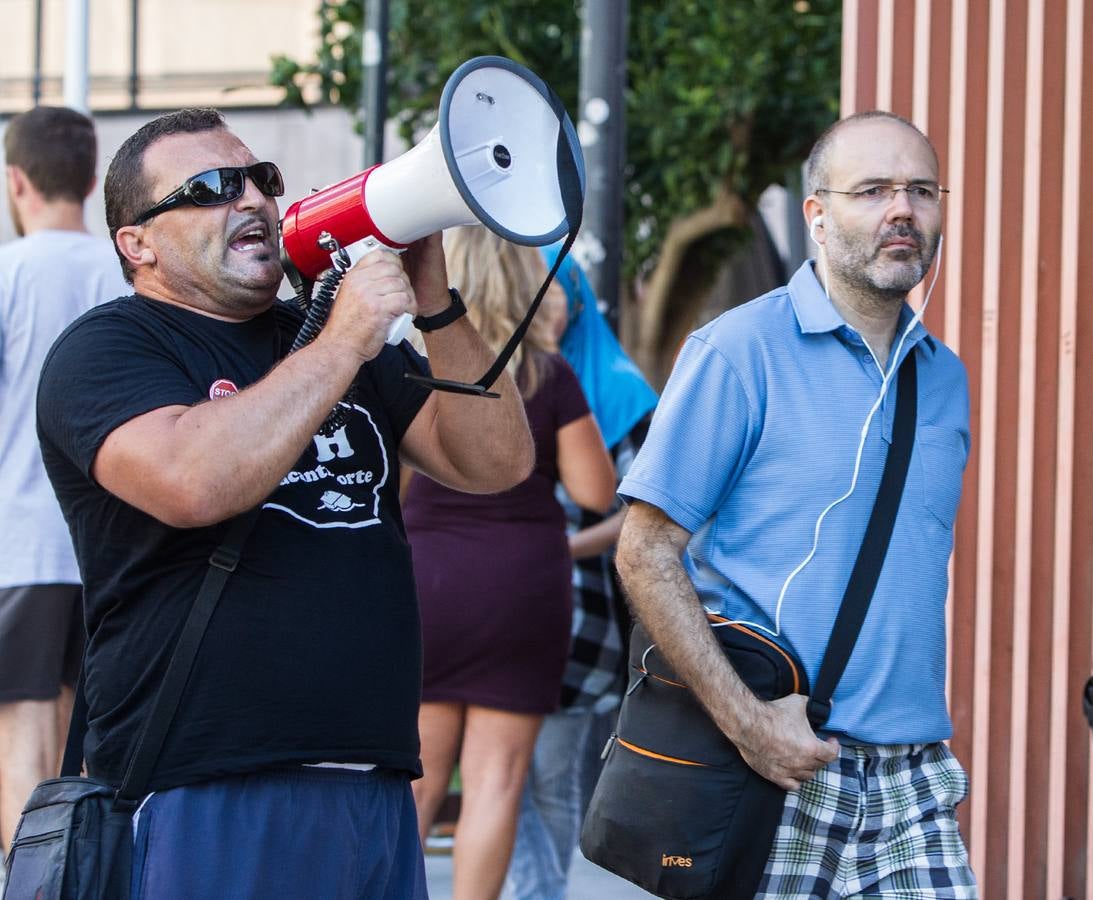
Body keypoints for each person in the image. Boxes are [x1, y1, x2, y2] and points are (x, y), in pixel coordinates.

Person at [33, 108, 533, 898]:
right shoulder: (108, 349)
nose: (252, 200)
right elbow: (191, 479)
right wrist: (344, 340)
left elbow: (496, 461)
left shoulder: (326, 333)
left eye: (261, 180)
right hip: (209, 781)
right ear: (138, 242)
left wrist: (433, 295)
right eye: (209, 188)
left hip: (372, 778)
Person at [613, 110, 975, 898]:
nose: (902, 210)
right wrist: (747, 723)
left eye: (921, 189)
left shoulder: (944, 377)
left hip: (914, 777)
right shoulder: (738, 351)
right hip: (775, 768)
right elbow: (643, 550)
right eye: (873, 190)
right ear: (816, 214)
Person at [404, 226, 615, 900]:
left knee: (417, 778)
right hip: (522, 585)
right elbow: (596, 492)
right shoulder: (548, 376)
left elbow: (395, 488)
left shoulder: (415, 369)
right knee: (495, 780)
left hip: (428, 581)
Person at [503, 255, 655, 900]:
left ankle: (536, 893)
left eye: (565, 293)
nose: (554, 307)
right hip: (501, 603)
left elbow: (648, 515)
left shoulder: (619, 391)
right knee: (500, 768)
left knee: (548, 771)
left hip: (582, 610)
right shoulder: (494, 373)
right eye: (542, 295)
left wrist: (560, 549)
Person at [0, 106, 128, 856]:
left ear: (16, 180)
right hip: (119, 542)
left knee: (23, 734)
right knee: (103, 744)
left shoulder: (8, 272)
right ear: (90, 178)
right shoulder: (128, 270)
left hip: (21, 544)